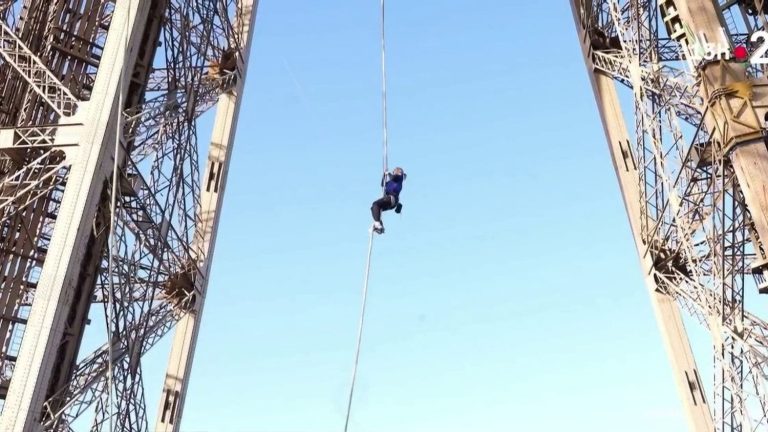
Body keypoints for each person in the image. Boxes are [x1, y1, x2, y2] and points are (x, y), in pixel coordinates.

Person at [370, 167, 406, 234]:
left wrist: (388, 173)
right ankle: (380, 226)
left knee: (375, 204)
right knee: (374, 208)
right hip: (390, 202)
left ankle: (378, 225)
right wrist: (384, 176)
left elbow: (393, 177)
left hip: (392, 198)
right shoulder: (390, 182)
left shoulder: (399, 178)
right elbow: (382, 185)